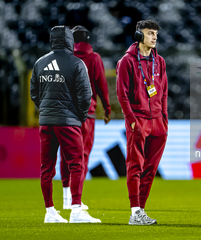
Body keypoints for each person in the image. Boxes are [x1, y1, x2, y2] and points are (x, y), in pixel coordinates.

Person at [30, 26, 100, 223]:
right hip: (68, 122)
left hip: (45, 122)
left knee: (46, 168)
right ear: (70, 40)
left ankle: (50, 212)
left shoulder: (39, 63)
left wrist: (45, 109)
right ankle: (76, 210)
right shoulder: (77, 63)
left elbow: (34, 92)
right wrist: (80, 116)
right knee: (76, 164)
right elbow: (86, 95)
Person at [116, 20, 168, 225]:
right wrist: (131, 120)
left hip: (158, 122)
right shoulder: (127, 62)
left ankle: (142, 210)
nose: (154, 37)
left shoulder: (160, 61)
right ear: (139, 36)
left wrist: (164, 119)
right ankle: (135, 211)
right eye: (149, 33)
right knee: (135, 166)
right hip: (138, 120)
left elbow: (163, 93)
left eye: (156, 33)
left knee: (151, 169)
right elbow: (122, 94)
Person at [60, 25, 111, 210]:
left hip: (64, 113)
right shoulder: (94, 58)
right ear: (88, 39)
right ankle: (76, 202)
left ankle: (66, 199)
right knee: (82, 156)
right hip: (86, 114)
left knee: (66, 156)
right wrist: (107, 108)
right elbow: (101, 84)